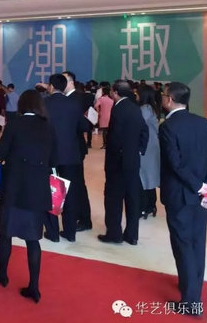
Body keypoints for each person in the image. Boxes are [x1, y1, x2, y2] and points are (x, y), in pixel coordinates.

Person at [0, 89, 57, 303]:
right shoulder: (48, 126)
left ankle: (2, 274)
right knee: (33, 240)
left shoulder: (14, 124)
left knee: (5, 234)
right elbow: (54, 159)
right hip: (37, 189)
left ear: (22, 105)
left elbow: (1, 154)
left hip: (13, 186)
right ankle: (34, 287)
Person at [160, 82, 207, 316]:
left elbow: (175, 164)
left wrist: (199, 185)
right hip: (201, 194)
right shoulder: (202, 122)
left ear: (170, 99)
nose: (162, 98)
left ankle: (191, 302)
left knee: (182, 245)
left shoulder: (167, 127)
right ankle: (190, 286)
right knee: (196, 242)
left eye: (163, 95)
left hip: (180, 194)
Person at [98, 80, 148, 246]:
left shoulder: (118, 109)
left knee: (113, 198)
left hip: (117, 163)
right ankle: (132, 235)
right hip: (132, 160)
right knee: (132, 198)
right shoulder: (135, 108)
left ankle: (114, 233)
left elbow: (115, 137)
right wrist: (139, 150)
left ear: (115, 92)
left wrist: (114, 155)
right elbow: (144, 131)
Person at [44, 74, 89, 242]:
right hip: (71, 155)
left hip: (50, 155)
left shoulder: (44, 104)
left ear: (51, 86)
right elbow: (84, 126)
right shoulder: (73, 104)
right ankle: (70, 232)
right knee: (70, 193)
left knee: (51, 192)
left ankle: (53, 232)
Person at [63, 71, 92, 232]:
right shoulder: (66, 98)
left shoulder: (78, 98)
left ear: (71, 82)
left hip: (75, 148)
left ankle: (83, 218)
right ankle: (75, 216)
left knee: (77, 184)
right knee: (72, 183)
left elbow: (84, 124)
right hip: (68, 148)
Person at [137, 86, 160, 219]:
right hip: (152, 144)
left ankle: (145, 207)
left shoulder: (144, 109)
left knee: (144, 176)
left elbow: (138, 124)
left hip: (146, 146)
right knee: (150, 176)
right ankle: (151, 205)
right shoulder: (152, 108)